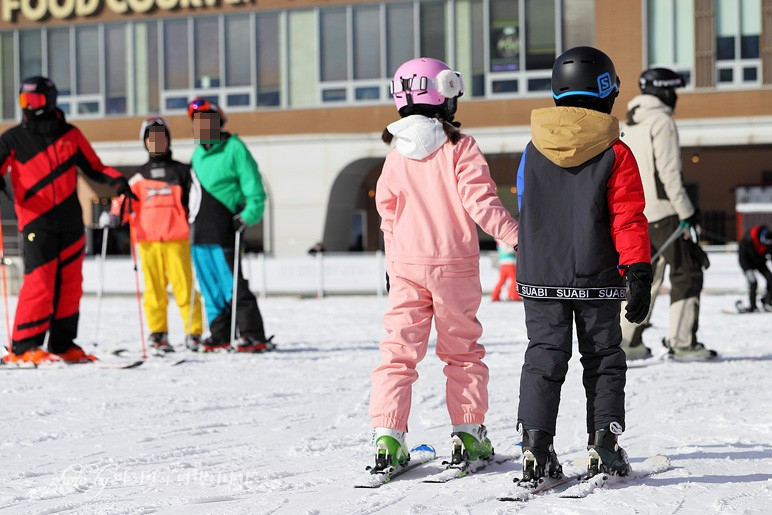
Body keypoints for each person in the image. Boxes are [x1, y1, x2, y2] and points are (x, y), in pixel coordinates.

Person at [368, 57, 519, 476]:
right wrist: (517, 237)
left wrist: (391, 259)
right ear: (442, 95)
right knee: (462, 352)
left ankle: (387, 437)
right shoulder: (460, 146)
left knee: (398, 352)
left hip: (406, 266)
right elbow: (480, 203)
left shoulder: (396, 153)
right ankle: (469, 435)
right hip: (452, 265)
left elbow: (388, 212)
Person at [514, 46, 652, 483]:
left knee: (543, 358)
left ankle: (535, 445)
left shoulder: (532, 150)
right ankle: (604, 445)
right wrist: (638, 269)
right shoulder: (616, 153)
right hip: (595, 277)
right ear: (607, 90)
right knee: (604, 358)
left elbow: (527, 208)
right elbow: (627, 216)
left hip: (540, 277)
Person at [0, 76, 135, 365]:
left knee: (71, 284)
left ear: (49, 101)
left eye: (34, 101)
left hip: (72, 222)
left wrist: (120, 183)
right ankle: (24, 346)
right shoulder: (13, 139)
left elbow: (95, 167)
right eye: (24, 101)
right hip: (37, 221)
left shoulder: (70, 135)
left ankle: (63, 344)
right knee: (40, 282)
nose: (29, 107)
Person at [620, 67, 718, 361]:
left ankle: (627, 343)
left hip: (637, 213)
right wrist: (688, 211)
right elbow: (669, 173)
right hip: (665, 212)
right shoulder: (661, 121)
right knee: (687, 272)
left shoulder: (628, 122)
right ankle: (683, 342)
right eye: (673, 91)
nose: (675, 97)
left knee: (644, 277)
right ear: (664, 91)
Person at [103, 117, 204, 353]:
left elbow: (195, 201)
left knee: (184, 287)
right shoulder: (139, 176)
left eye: (161, 137)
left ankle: (194, 332)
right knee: (153, 291)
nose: (156, 142)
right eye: (151, 138)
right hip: (147, 241)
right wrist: (114, 214)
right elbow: (124, 202)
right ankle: (158, 334)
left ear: (168, 140)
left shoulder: (182, 171)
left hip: (176, 238)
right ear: (145, 142)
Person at [186, 97, 272, 353]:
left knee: (232, 283)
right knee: (209, 286)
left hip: (224, 229)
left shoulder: (235, 148)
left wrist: (248, 216)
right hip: (199, 231)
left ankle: (252, 334)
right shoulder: (196, 155)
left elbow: (255, 191)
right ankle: (219, 333)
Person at [737, 225, 772, 312]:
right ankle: (753, 306)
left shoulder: (769, 239)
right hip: (747, 264)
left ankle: (767, 302)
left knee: (770, 279)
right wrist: (746, 269)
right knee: (753, 282)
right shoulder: (748, 239)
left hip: (760, 262)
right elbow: (742, 257)